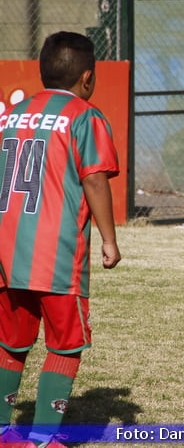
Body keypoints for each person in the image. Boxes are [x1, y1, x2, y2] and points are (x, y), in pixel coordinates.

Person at [0, 31, 121, 447]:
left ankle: (2, 430)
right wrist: (109, 239)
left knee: (11, 341)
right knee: (66, 345)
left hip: (6, 252)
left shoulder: (10, 115)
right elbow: (95, 180)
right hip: (56, 255)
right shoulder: (85, 116)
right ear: (87, 78)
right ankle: (42, 437)